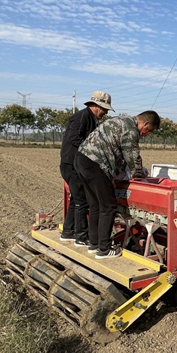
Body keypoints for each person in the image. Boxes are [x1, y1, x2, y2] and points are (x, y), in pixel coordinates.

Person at [75, 111, 160, 259]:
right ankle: (104, 249)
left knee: (95, 204)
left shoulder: (121, 120)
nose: (145, 134)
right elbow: (132, 156)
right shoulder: (131, 129)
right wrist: (139, 175)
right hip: (96, 163)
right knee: (108, 206)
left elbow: (118, 156)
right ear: (145, 124)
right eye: (148, 131)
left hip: (81, 159)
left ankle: (94, 244)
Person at [59, 91, 113, 243]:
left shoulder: (93, 119)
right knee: (82, 200)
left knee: (77, 198)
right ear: (96, 106)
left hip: (74, 164)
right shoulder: (82, 117)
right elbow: (73, 138)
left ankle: (68, 231)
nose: (106, 112)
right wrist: (91, 151)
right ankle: (81, 236)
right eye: (105, 109)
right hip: (72, 164)